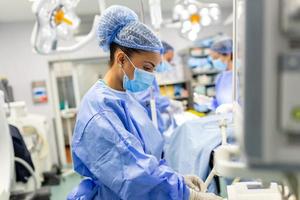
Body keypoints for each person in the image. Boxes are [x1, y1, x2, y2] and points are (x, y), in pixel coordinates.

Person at [67, 5, 221, 200]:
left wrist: (177, 179)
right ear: (121, 59)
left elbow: (146, 159)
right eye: (147, 67)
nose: (150, 76)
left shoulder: (127, 98)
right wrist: (186, 194)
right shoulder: (99, 109)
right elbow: (132, 173)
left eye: (154, 69)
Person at [209, 38, 234, 110]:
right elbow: (220, 104)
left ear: (228, 55)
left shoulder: (239, 76)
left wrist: (233, 108)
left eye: (216, 57)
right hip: (225, 119)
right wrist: (209, 102)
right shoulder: (220, 78)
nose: (214, 61)